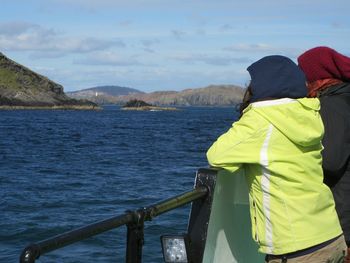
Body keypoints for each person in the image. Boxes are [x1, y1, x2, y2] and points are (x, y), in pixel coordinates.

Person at [207, 55, 347, 262]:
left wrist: (249, 115)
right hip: (331, 235)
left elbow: (216, 155)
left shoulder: (260, 120)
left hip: (297, 247)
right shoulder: (310, 113)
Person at [298, 46, 350, 261]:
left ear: (318, 78)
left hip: (342, 217)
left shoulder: (332, 105)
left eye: (304, 74)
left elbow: (331, 162)